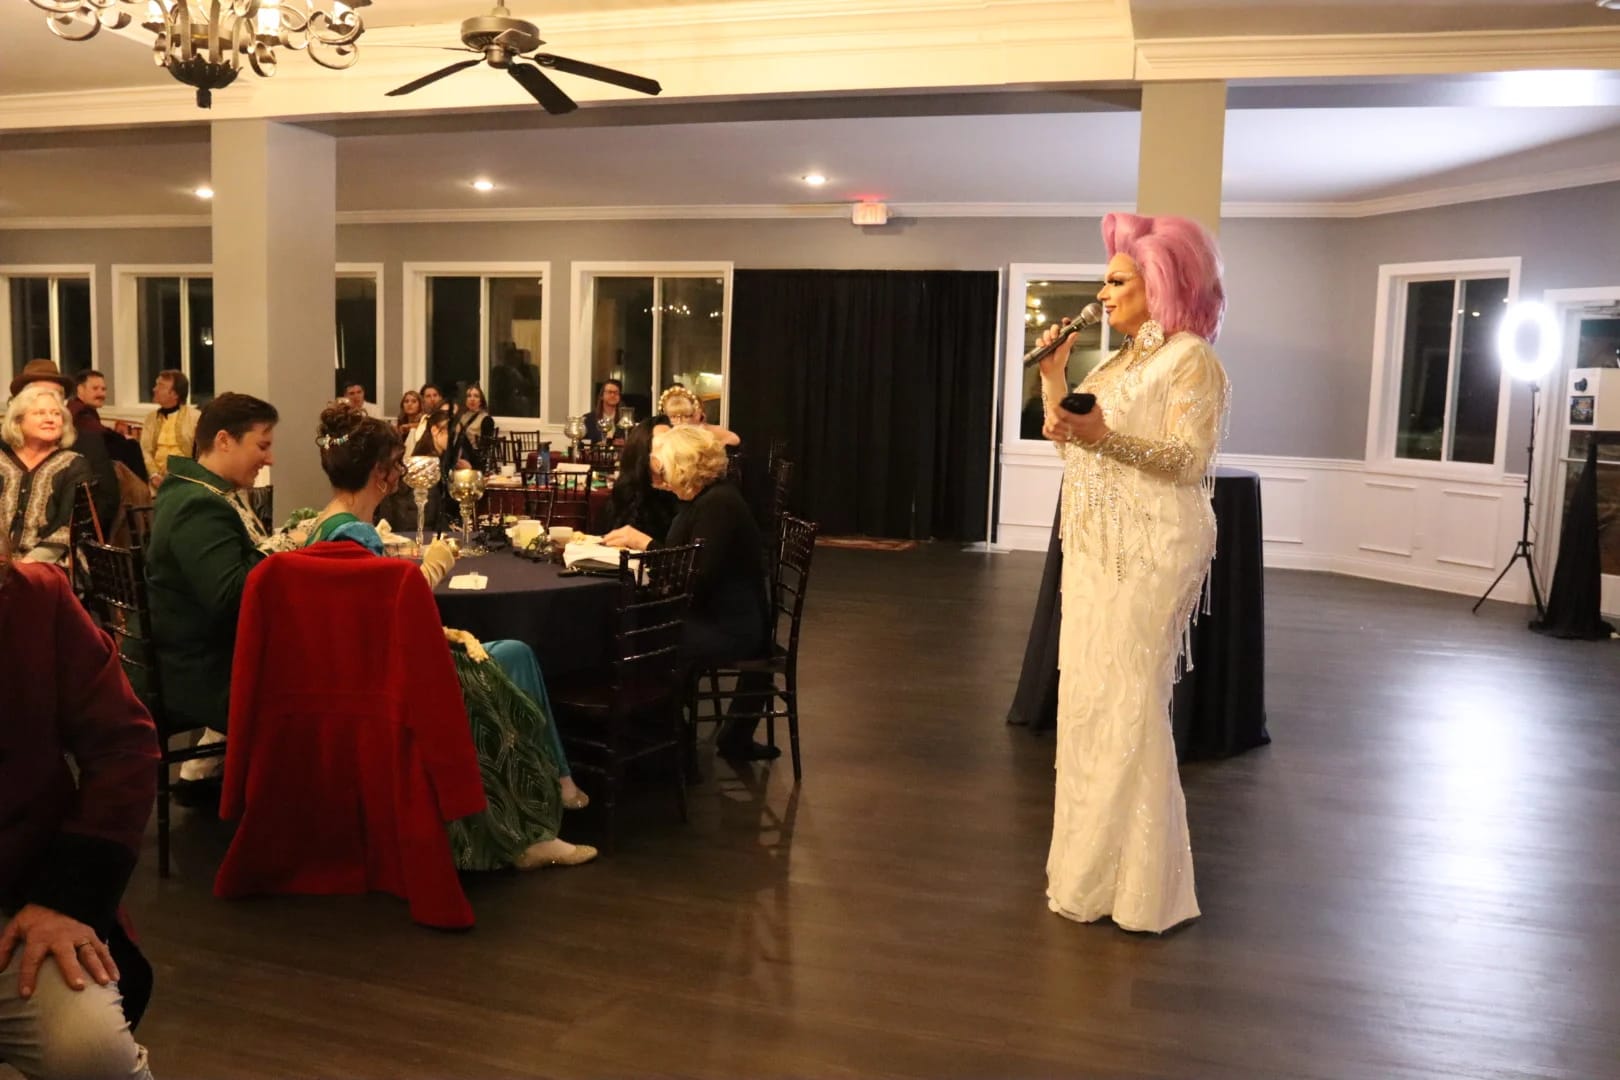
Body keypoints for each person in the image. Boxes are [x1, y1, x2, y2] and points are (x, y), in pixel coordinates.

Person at [1032, 212, 1230, 935]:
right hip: (1096, 548)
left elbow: (1188, 461)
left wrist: (1104, 436)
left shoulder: (1190, 360)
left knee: (1130, 701)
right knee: (1091, 699)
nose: (1103, 293)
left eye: (1117, 280)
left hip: (1155, 546)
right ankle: (1094, 875)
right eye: (1106, 280)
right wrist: (1055, 383)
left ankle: (1144, 888)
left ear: (1161, 283)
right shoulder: (1114, 365)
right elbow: (1076, 449)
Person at [304, 405, 595, 867]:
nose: (401, 473)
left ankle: (554, 787)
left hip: (357, 667)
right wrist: (434, 567)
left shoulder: (323, 524)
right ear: (381, 474)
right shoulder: (355, 535)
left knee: (506, 650)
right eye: (397, 465)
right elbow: (393, 616)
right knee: (515, 652)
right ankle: (537, 813)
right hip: (390, 676)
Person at [1, 543, 159, 1080]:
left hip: (20, 901)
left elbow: (123, 747)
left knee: (91, 1053)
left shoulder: (32, 601)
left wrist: (65, 901)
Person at [604, 426, 775, 761]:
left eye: (664, 467)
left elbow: (695, 576)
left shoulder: (719, 505)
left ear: (684, 468)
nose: (660, 474)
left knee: (641, 642)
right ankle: (659, 738)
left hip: (730, 626)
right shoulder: (701, 500)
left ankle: (667, 746)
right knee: (635, 632)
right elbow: (686, 566)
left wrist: (645, 544)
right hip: (711, 614)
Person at [145, 393, 279, 791]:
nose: (269, 459)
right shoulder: (198, 503)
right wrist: (280, 552)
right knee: (318, 673)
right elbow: (231, 596)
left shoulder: (195, 489)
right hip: (197, 670)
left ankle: (214, 771)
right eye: (262, 446)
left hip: (192, 649)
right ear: (224, 440)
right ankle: (281, 803)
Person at [0, 383, 93, 565]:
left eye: (56, 414)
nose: (50, 419)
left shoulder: (73, 465)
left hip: (51, 562)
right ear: (18, 421)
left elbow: (69, 526)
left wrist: (27, 565)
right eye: (40, 413)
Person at [598, 418, 678, 542]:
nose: (670, 451)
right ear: (643, 451)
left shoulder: (683, 496)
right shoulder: (625, 494)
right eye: (662, 445)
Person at [139, 369, 199, 490]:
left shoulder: (195, 417)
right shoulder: (151, 418)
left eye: (160, 386)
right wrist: (154, 475)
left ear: (175, 394)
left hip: (186, 482)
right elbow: (145, 450)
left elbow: (201, 454)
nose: (154, 389)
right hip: (155, 483)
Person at [657, 386, 740, 448]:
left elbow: (734, 439)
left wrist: (714, 449)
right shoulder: (669, 432)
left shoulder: (710, 430)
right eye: (673, 416)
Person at [452, 385, 496, 472]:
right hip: (457, 455)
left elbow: (485, 451)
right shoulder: (462, 416)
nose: (472, 399)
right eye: (469, 396)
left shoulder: (486, 419)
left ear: (481, 401)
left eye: (476, 396)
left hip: (473, 459)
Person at [583, 379, 623, 444]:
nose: (613, 395)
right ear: (601, 396)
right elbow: (582, 444)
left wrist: (625, 444)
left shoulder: (625, 420)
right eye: (609, 392)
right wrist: (596, 446)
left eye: (616, 392)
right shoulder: (588, 419)